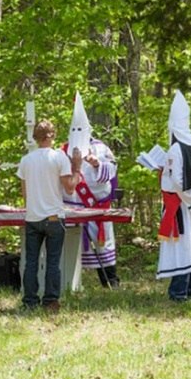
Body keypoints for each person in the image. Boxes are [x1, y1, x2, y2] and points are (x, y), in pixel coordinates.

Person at [17, 119, 82, 312]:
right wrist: (77, 168)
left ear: (36, 138)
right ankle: (51, 301)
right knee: (53, 261)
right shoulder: (59, 157)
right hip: (53, 216)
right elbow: (70, 188)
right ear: (51, 136)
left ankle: (29, 300)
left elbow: (25, 193)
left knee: (31, 261)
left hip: (33, 217)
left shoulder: (26, 160)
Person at [156, 90, 191, 301]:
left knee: (181, 247)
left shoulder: (176, 149)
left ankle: (179, 292)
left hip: (181, 204)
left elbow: (179, 181)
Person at [62, 92, 120, 288]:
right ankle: (70, 283)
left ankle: (110, 281)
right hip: (70, 206)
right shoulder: (62, 150)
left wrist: (97, 165)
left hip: (97, 207)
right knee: (70, 247)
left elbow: (112, 172)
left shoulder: (101, 148)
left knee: (103, 246)